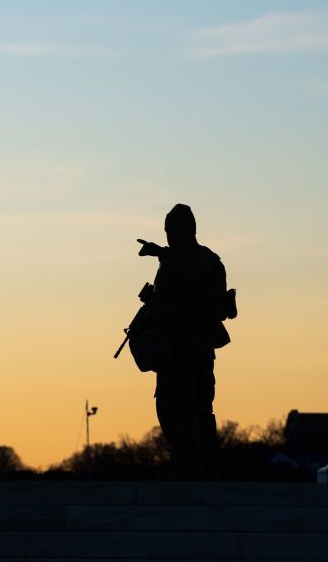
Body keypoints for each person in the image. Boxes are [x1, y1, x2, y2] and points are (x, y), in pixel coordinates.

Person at [137, 204, 230, 478]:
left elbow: (164, 310)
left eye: (168, 231)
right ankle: (208, 468)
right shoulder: (212, 262)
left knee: (173, 411)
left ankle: (191, 471)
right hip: (204, 352)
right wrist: (160, 253)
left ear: (175, 231)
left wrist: (148, 305)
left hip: (176, 353)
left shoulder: (173, 266)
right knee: (202, 411)